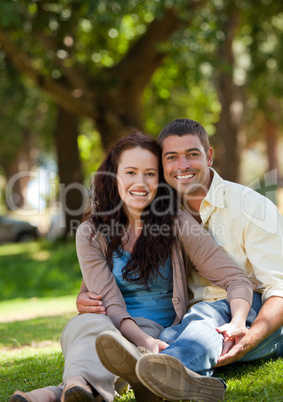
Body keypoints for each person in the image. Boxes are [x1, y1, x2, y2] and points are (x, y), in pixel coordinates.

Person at [10, 131, 253, 402]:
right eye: (131, 172)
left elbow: (235, 278)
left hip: (154, 330)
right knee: (89, 325)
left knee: (102, 343)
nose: (141, 182)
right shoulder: (91, 233)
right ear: (114, 176)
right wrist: (144, 344)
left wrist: (238, 321)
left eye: (150, 173)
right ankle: (77, 385)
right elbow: (110, 304)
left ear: (159, 180)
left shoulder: (176, 223)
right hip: (107, 326)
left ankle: (57, 393)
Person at [77, 119, 283, 401]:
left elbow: (279, 290)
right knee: (172, 338)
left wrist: (247, 331)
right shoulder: (160, 206)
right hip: (188, 322)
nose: (182, 165)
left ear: (208, 156)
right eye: (171, 157)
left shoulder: (252, 207)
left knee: (204, 318)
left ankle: (148, 377)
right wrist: (84, 295)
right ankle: (164, 378)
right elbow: (112, 260)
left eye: (192, 154)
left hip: (254, 312)